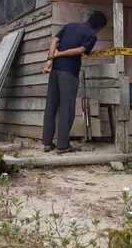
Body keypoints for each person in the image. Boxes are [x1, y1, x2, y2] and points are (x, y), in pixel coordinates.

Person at [42, 11, 107, 153]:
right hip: (69, 72)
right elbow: (81, 50)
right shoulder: (91, 35)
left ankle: (47, 143)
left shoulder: (70, 26)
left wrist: (50, 59)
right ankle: (63, 145)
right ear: (100, 27)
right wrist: (60, 54)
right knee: (67, 107)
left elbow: (54, 40)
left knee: (51, 105)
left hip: (55, 70)